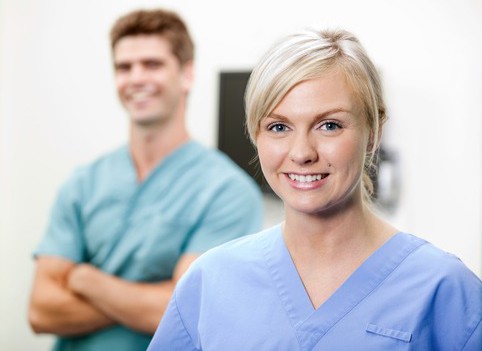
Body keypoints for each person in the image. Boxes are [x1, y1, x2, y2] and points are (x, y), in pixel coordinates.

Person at [147, 28, 482, 350]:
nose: (302, 153)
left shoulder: (444, 289)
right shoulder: (210, 282)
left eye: (329, 125)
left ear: (374, 132)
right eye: (279, 127)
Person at [27, 8, 263, 351]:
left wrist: (87, 280)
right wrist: (150, 299)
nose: (136, 78)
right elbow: (41, 309)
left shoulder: (227, 191)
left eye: (152, 64)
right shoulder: (83, 183)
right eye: (124, 67)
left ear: (186, 74)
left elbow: (190, 311)